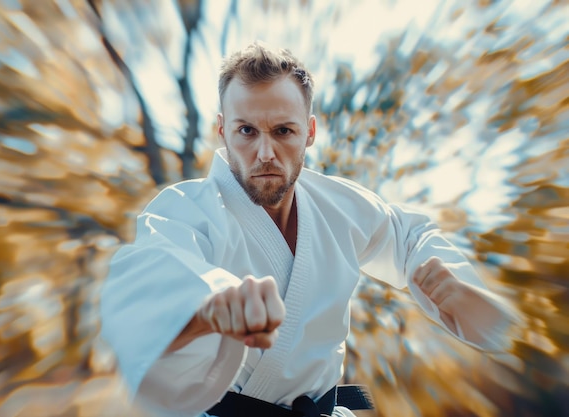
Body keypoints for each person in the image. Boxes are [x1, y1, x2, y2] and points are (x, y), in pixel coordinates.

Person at [99, 42, 519, 417]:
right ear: (223, 130)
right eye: (246, 131)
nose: (265, 152)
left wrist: (454, 285)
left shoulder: (343, 207)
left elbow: (408, 237)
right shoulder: (184, 210)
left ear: (310, 132)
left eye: (283, 131)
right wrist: (207, 309)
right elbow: (149, 277)